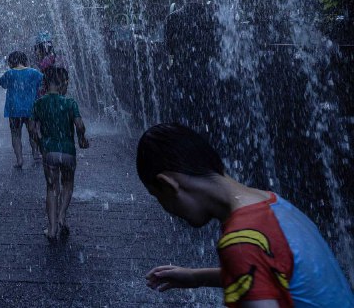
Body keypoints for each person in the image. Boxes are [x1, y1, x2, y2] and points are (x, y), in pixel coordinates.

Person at [138, 123, 354, 307]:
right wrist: (197, 277)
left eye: (158, 197)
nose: (167, 210)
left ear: (167, 184)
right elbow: (274, 270)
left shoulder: (241, 239)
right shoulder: (273, 203)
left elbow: (248, 257)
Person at [30, 66, 89, 242]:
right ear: (63, 83)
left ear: (46, 83)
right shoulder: (70, 103)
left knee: (51, 188)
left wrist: (41, 143)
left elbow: (32, 129)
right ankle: (62, 215)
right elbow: (79, 125)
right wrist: (81, 139)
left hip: (49, 152)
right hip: (68, 151)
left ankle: (52, 228)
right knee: (68, 184)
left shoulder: (39, 103)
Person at [163, 0, 219, 132]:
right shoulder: (214, 18)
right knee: (210, 125)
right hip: (208, 79)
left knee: (182, 126)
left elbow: (168, 50)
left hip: (181, 78)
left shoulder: (173, 19)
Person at [0, 50, 44, 168]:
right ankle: (36, 153)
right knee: (33, 132)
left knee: (16, 134)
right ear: (25, 60)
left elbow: (0, 83)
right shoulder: (34, 73)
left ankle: (19, 159)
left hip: (14, 110)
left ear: (11, 62)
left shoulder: (9, 73)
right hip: (31, 109)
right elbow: (43, 82)